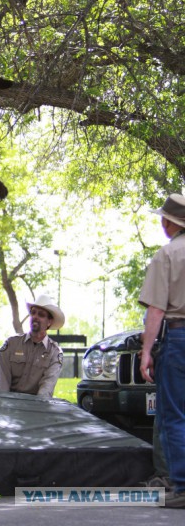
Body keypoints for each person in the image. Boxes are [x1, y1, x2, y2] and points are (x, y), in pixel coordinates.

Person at [139, 193, 185, 508]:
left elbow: (156, 310)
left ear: (170, 223)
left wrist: (146, 352)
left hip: (180, 340)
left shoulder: (167, 255)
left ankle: (181, 486)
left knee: (174, 415)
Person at [0, 294, 64, 397]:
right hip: (8, 404)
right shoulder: (11, 344)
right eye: (33, 313)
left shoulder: (54, 353)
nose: (35, 317)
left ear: (49, 322)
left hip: (35, 408)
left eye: (41, 314)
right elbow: (2, 386)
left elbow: (46, 390)